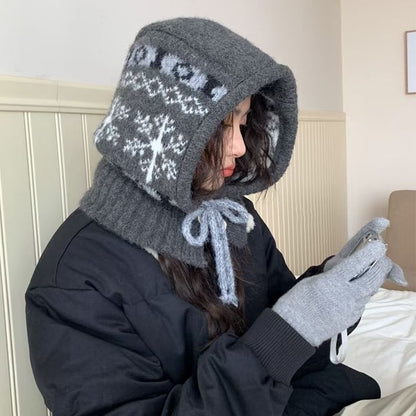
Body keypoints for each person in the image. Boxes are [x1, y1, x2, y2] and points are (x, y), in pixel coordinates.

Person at [25, 17, 406, 416]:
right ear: (162, 128)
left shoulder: (232, 218)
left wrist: (332, 286)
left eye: (243, 122)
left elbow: (284, 328)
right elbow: (280, 336)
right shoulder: (74, 281)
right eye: (222, 125)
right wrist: (290, 331)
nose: (239, 146)